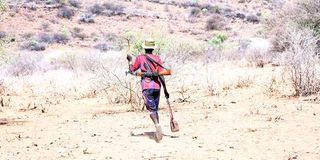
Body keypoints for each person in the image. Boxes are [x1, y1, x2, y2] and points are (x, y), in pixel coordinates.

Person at [126, 39, 165, 141]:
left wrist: (130, 60)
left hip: (147, 86)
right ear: (153, 48)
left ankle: (157, 125)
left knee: (151, 110)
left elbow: (132, 70)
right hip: (157, 86)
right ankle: (158, 127)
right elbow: (162, 74)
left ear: (144, 48)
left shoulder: (140, 58)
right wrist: (165, 89)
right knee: (155, 109)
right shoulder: (157, 58)